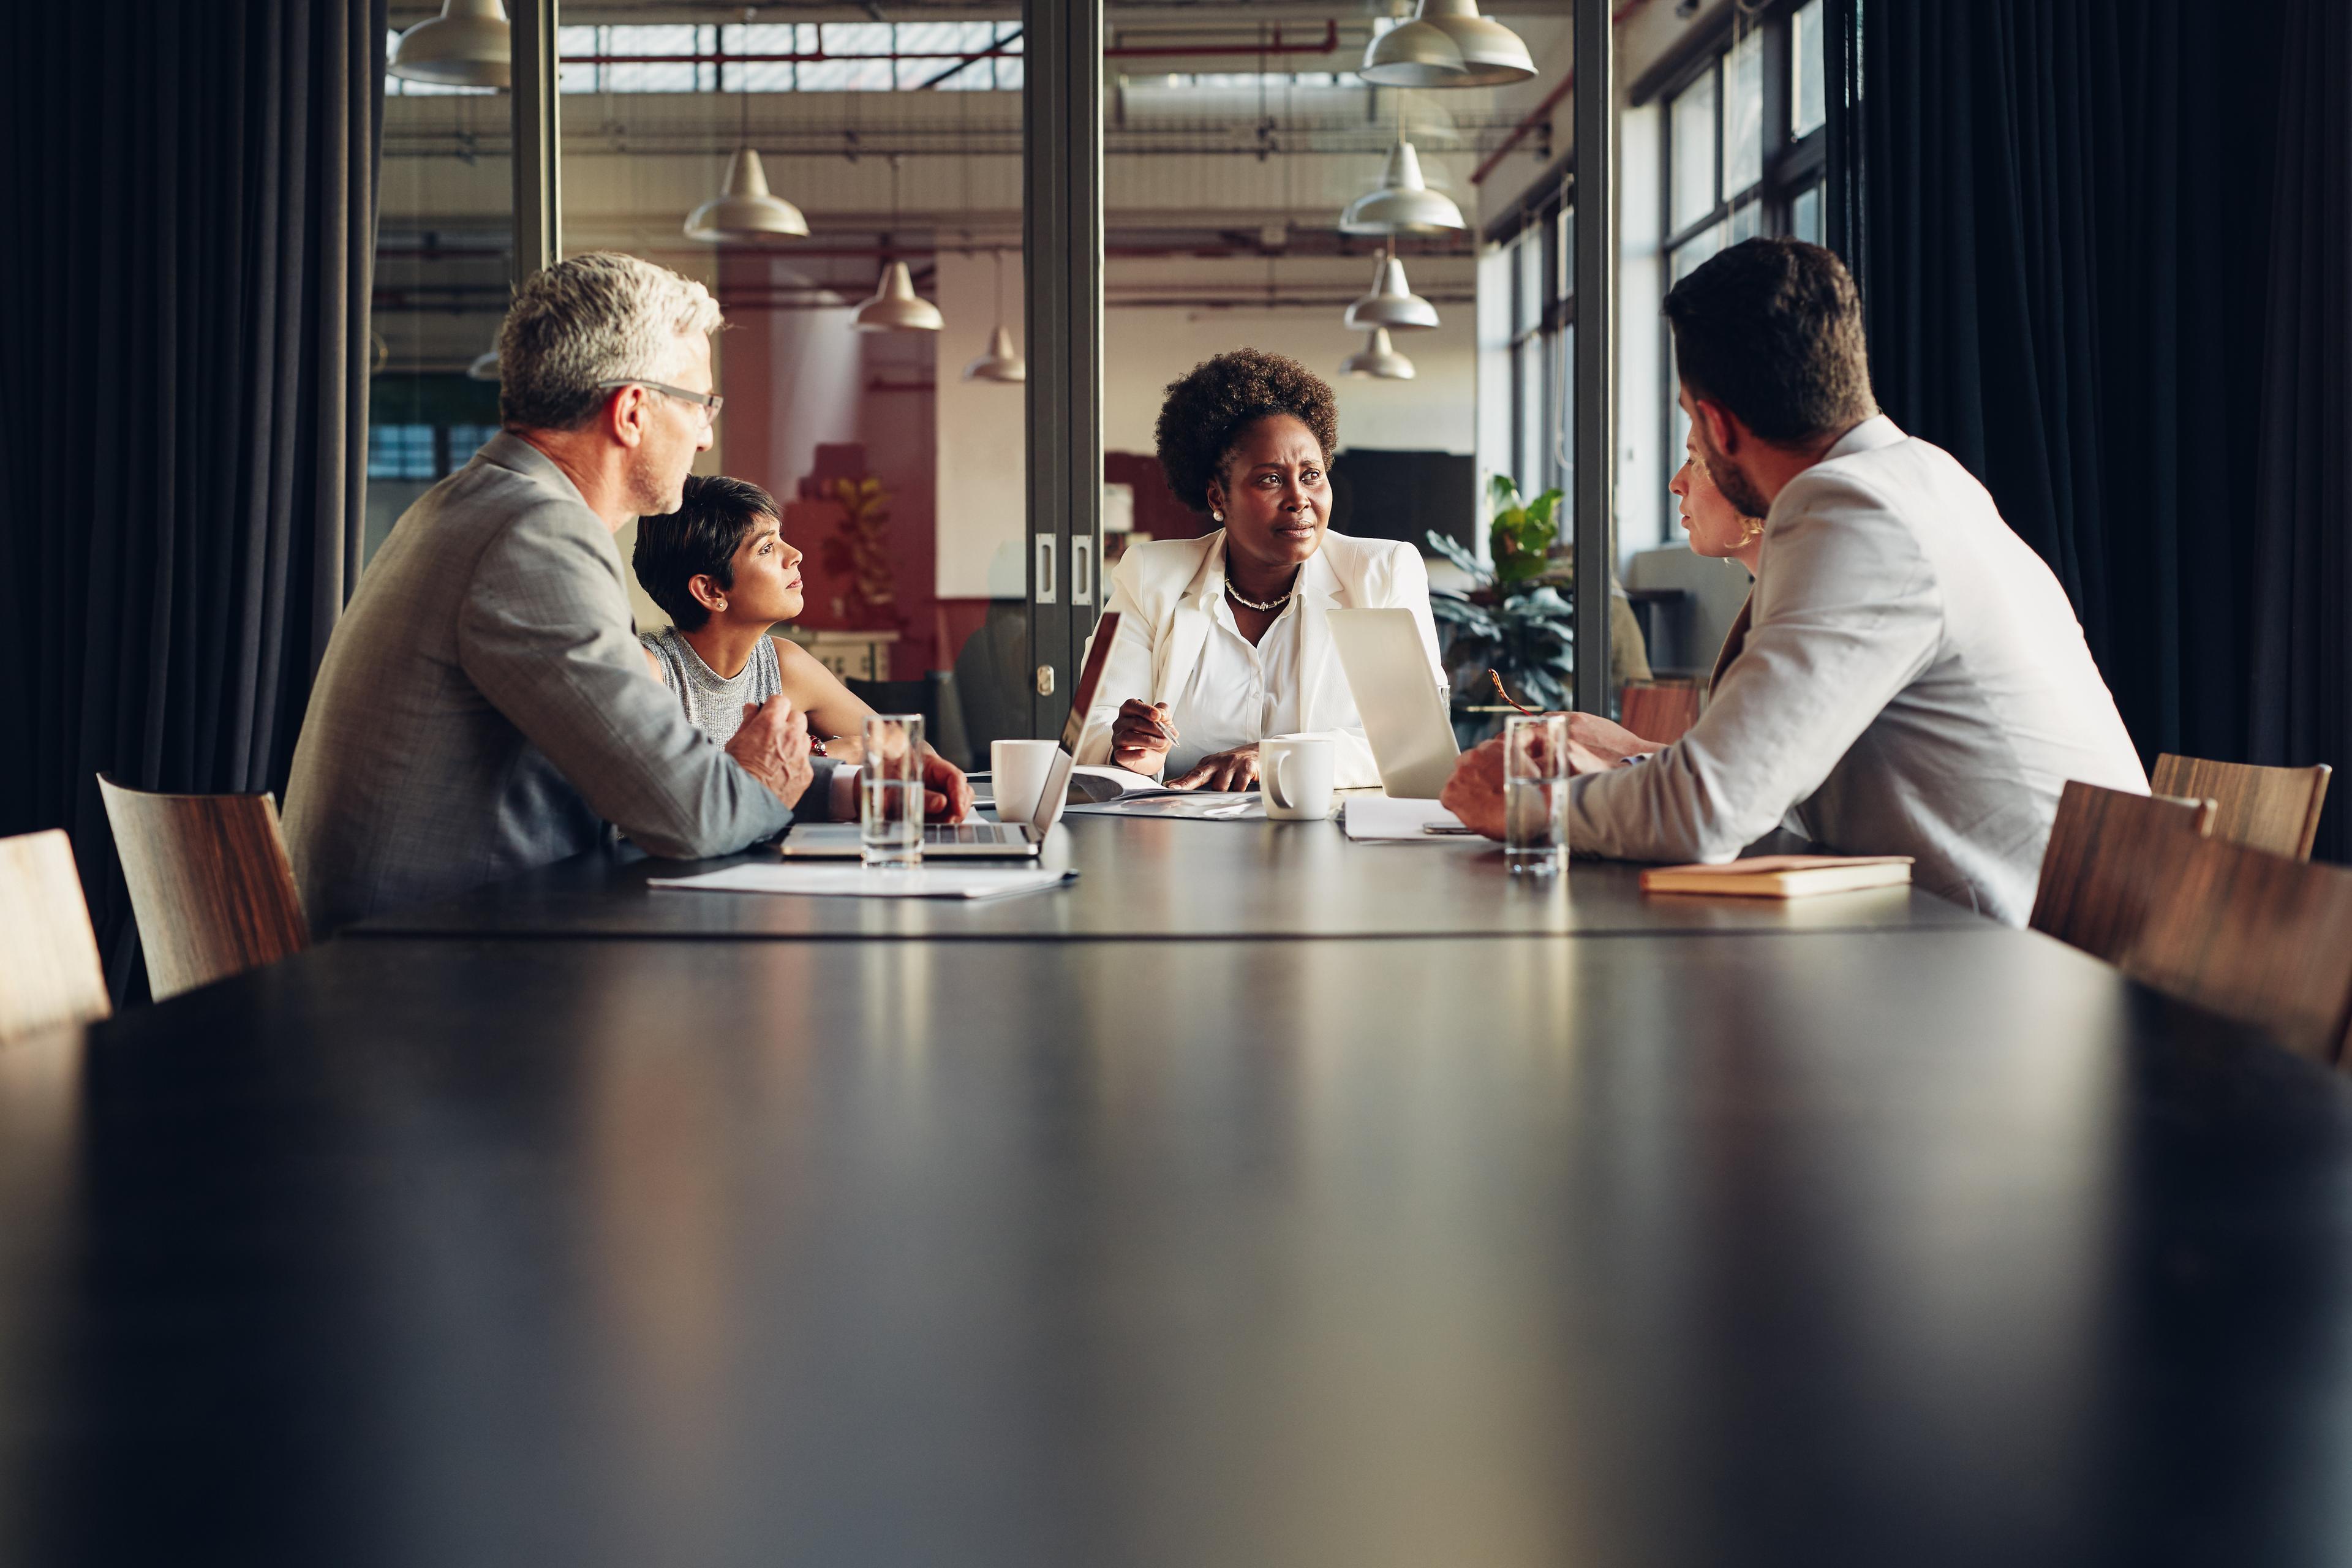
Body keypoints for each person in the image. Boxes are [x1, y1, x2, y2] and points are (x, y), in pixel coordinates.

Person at [1442, 238, 2148, 925]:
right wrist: (1632, 757)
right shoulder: (1922, 480)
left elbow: (1709, 811)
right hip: (1999, 941)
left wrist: (1528, 806)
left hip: (2012, 966)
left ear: (1717, 426)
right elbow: (1767, 772)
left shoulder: (1857, 511)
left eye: (1690, 424)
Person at [284, 252, 951, 933]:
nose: (706, 437)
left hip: (447, 941)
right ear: (632, 412)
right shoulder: (534, 536)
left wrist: (852, 790)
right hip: (439, 966)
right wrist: (769, 776)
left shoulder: (480, 506)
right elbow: (691, 813)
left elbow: (654, 775)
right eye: (700, 406)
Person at [1075, 349, 1444, 790]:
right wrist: (1127, 746)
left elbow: (1415, 744)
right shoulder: (1149, 575)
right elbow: (1089, 725)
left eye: (1311, 475)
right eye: (1270, 479)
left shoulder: (1381, 574)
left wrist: (1271, 756)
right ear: (1218, 497)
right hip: (1177, 826)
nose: (1299, 499)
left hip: (1326, 828)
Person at [631, 473, 972, 818]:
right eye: (766, 548)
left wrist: (932, 776)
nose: (795, 555)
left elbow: (906, 747)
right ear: (711, 591)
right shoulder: (646, 673)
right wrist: (836, 752)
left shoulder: (782, 664)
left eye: (780, 538)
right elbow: (679, 807)